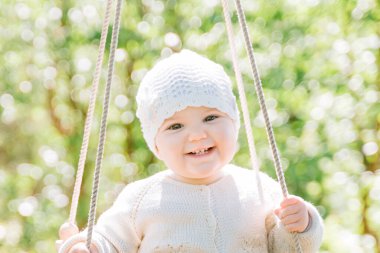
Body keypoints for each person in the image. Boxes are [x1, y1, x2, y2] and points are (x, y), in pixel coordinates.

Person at [57, 49, 323, 253]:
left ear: (234, 124)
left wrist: (302, 223)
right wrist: (85, 246)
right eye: (175, 126)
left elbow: (289, 247)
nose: (197, 135)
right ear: (156, 144)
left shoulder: (261, 189)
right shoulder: (140, 199)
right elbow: (109, 241)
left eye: (210, 118)